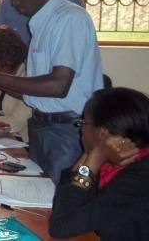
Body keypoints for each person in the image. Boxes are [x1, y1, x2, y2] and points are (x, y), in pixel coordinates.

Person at [0, 0, 103, 184]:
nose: (13, 2)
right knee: (38, 202)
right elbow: (33, 93)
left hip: (66, 132)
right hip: (41, 129)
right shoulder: (42, 24)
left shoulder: (69, 18)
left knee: (60, 203)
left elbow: (58, 85)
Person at [49, 87, 149, 240]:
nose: (81, 129)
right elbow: (69, 192)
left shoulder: (136, 180)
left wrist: (95, 156)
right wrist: (90, 153)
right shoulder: (116, 161)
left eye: (83, 122)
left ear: (102, 132)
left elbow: (61, 225)